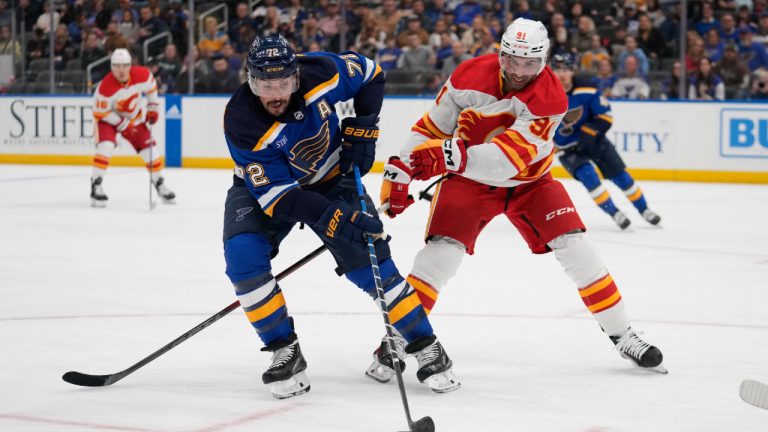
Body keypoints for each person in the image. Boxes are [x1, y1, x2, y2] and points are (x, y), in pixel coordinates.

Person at [374, 18, 665, 383]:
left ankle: (624, 336)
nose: (519, 70)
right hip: (470, 182)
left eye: (530, 63)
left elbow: (507, 159)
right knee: (440, 256)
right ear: (501, 53)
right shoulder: (467, 76)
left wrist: (447, 157)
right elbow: (431, 128)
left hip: (531, 182)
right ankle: (397, 339)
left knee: (577, 248)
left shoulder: (551, 97)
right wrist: (400, 170)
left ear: (543, 60)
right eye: (512, 59)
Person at [222, 34, 459, 399]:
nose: (275, 94)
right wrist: (335, 217)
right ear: (250, 80)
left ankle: (426, 345)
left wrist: (364, 127)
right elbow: (281, 199)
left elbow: (371, 74)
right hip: (267, 193)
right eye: (265, 84)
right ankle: (283, 349)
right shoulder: (242, 121)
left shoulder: (321, 71)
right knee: (243, 261)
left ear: (296, 76)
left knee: (373, 266)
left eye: (283, 82)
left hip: (334, 178)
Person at [550, 53, 662, 230]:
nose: (561, 74)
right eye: (557, 70)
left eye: (566, 69)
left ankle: (644, 210)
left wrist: (590, 133)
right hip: (567, 149)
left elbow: (605, 116)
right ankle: (615, 213)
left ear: (573, 71)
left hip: (593, 141)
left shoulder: (586, 88)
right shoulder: (544, 94)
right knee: (589, 178)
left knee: (621, 177)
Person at [91, 48, 175, 207]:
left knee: (150, 150)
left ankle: (159, 183)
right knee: (106, 147)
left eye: (124, 66)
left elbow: (152, 90)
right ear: (111, 67)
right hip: (107, 120)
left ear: (130, 65)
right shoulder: (105, 88)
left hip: (133, 118)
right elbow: (100, 112)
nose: (121, 70)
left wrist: (152, 108)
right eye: (117, 66)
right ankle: (96, 185)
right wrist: (122, 124)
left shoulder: (142, 75)